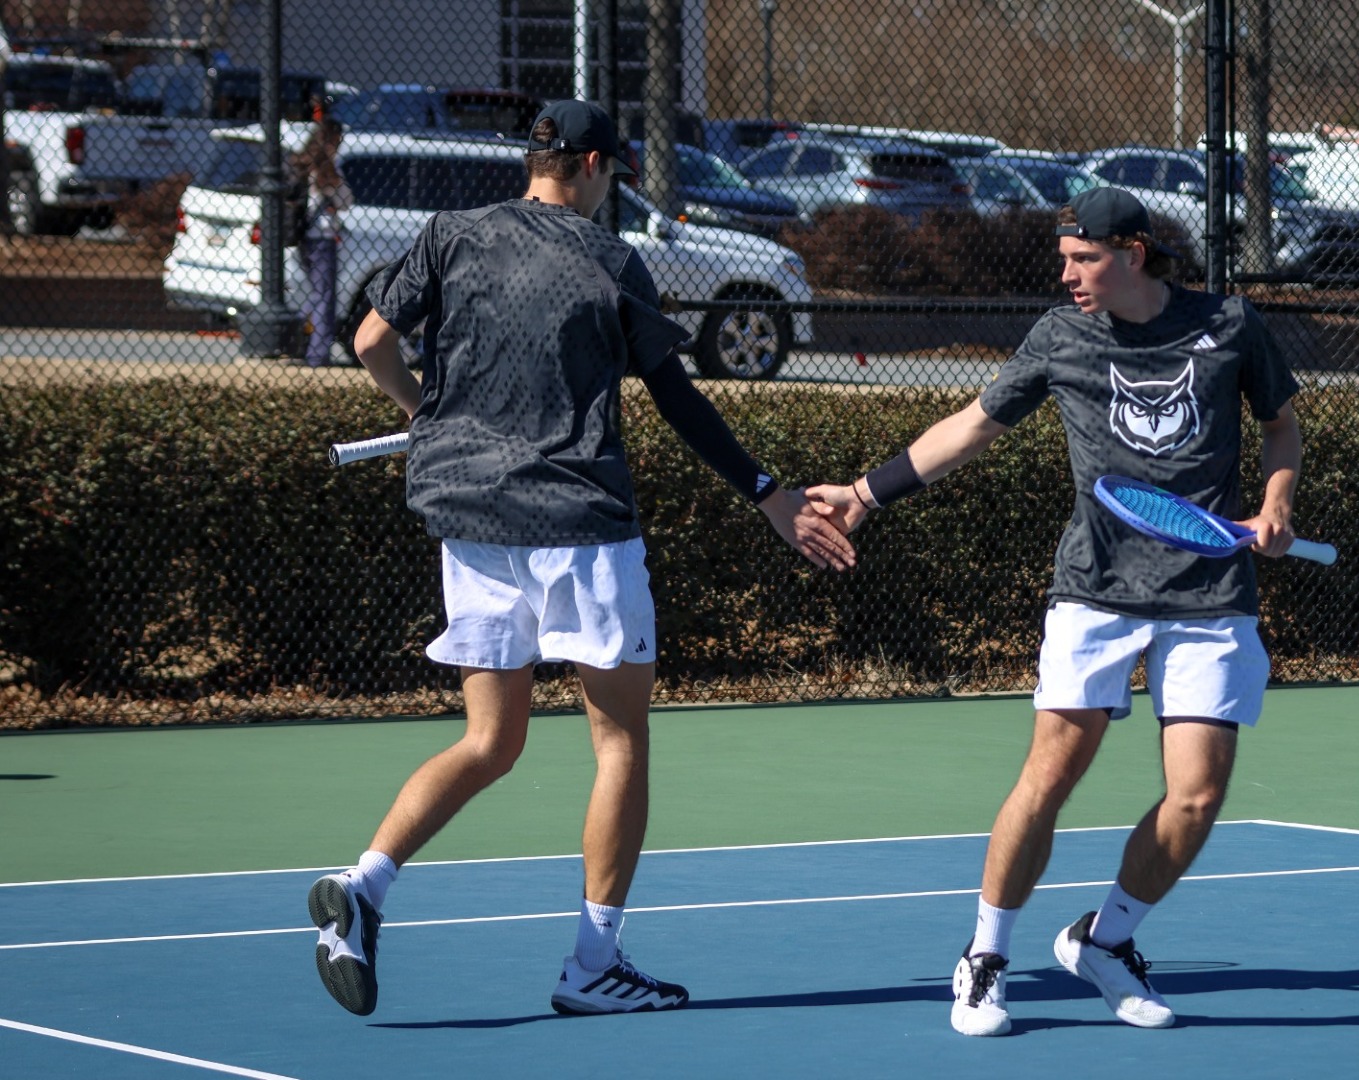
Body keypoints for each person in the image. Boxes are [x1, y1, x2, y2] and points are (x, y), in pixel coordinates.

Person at [309, 100, 855, 1018]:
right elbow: (677, 396)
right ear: (596, 164)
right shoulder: (609, 261)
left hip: (473, 525)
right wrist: (768, 493)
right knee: (619, 740)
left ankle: (362, 889)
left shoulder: (451, 234)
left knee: (491, 741)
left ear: (538, 159)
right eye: (617, 169)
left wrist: (420, 411)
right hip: (580, 531)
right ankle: (592, 962)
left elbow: (369, 339)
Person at [808, 187, 1304, 1036]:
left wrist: (1278, 502)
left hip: (1211, 594)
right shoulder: (1060, 335)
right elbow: (972, 425)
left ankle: (1105, 941)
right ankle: (985, 958)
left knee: (1197, 796)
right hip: (1097, 591)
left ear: (1134, 254)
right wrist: (865, 492)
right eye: (1065, 260)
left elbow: (1281, 426)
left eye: (1084, 260)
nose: (1068, 275)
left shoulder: (1228, 325)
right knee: (1050, 777)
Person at [288, 118, 351, 367]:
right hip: (322, 238)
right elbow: (346, 200)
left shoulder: (302, 163)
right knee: (325, 297)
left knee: (317, 294)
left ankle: (291, 332)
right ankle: (317, 353)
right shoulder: (327, 170)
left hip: (304, 237)